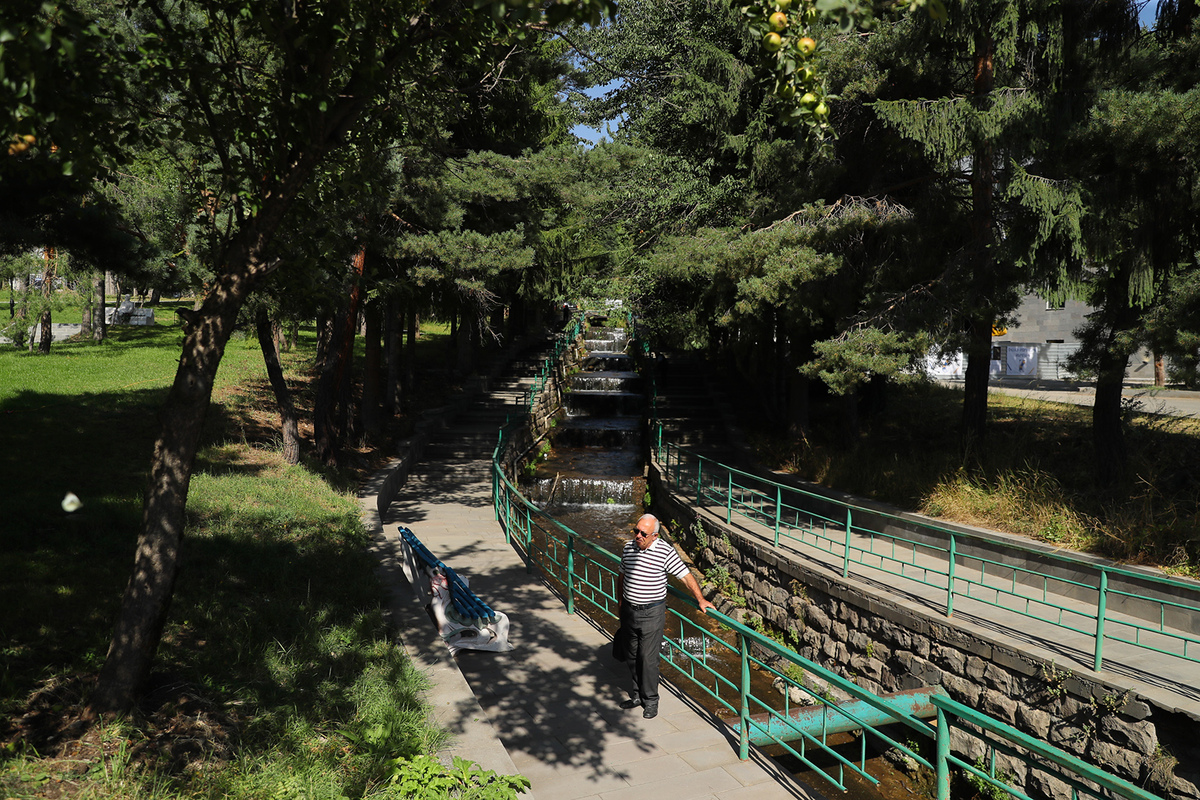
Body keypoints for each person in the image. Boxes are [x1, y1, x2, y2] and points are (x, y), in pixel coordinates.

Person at [616, 513, 715, 719]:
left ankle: (651, 700)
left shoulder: (665, 551)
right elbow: (622, 575)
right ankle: (637, 695)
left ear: (655, 535)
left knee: (648, 658)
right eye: (636, 531)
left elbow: (685, 576)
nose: (638, 536)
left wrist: (700, 599)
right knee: (632, 655)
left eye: (643, 533)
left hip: (652, 613)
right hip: (629, 610)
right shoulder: (629, 548)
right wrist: (620, 602)